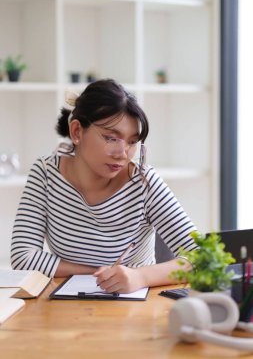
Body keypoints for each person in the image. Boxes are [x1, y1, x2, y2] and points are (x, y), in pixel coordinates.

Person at [11, 79, 197, 294]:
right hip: (66, 310)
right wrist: (98, 272)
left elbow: (201, 257)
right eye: (110, 138)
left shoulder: (144, 182)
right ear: (77, 132)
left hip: (137, 309)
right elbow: (23, 256)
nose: (122, 153)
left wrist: (140, 276)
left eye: (131, 142)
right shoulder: (45, 173)